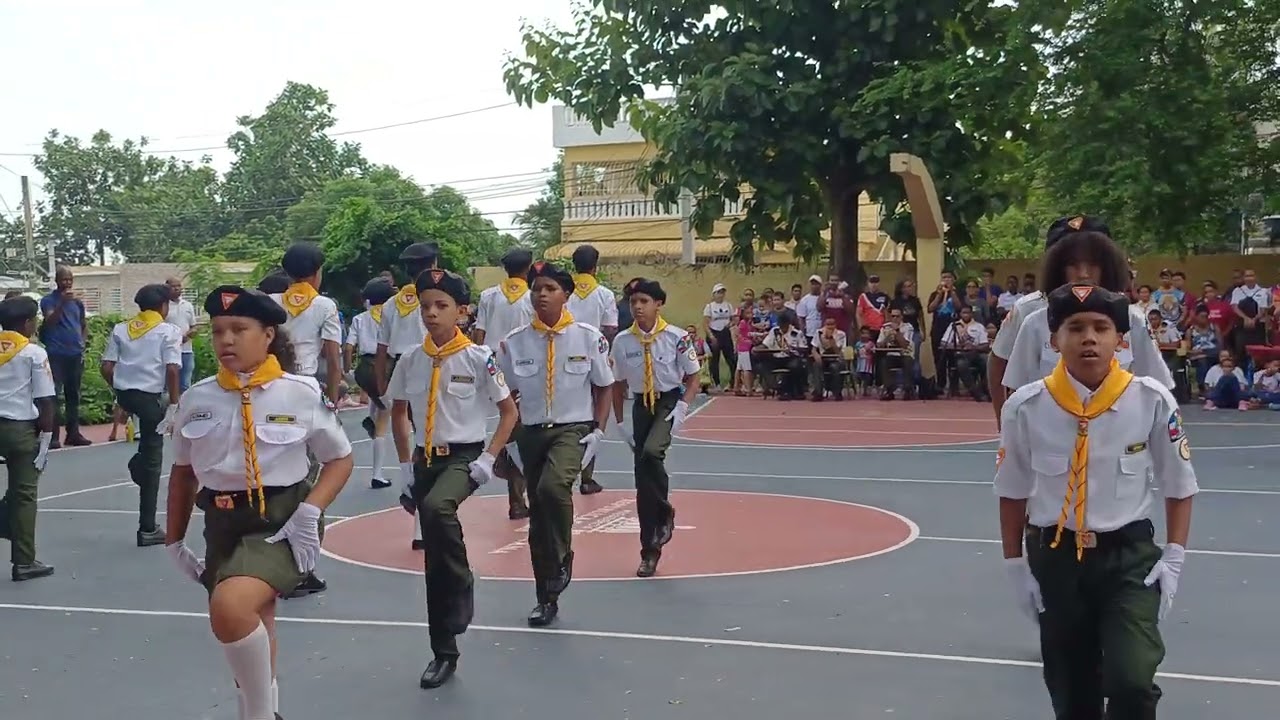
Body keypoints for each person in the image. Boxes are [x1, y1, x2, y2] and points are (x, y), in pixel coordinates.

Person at [996, 281, 1197, 720]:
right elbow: (1011, 490)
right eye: (1075, 327)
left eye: (1101, 328)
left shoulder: (1151, 400)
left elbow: (1179, 483)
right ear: (1054, 340)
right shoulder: (1026, 407)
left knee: (1132, 679)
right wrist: (1015, 566)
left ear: (1120, 340)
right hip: (1057, 556)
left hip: (1128, 559)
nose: (1089, 337)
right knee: (1072, 691)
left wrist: (1175, 556)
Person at [164, 285, 354, 720]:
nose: (225, 340)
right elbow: (182, 472)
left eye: (238, 329)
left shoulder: (300, 393)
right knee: (251, 628)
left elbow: (340, 458)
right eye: (217, 331)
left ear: (268, 335)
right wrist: (173, 540)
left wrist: (311, 511)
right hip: (222, 522)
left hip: (282, 521)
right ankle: (259, 711)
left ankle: (260, 716)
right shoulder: (197, 399)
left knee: (230, 610)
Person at [385, 268, 519, 689]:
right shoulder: (411, 359)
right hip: (425, 460)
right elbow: (398, 411)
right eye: (425, 305)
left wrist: (488, 458)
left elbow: (509, 412)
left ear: (462, 312)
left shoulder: (480, 358)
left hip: (462, 459)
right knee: (433, 561)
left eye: (441, 305)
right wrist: (405, 465)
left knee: (437, 509)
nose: (430, 313)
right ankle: (443, 651)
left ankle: (463, 580)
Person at [497, 261, 614, 627]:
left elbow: (604, 384)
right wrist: (507, 440)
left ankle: (563, 557)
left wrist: (599, 429)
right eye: (537, 289)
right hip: (531, 432)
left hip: (571, 428)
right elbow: (506, 395)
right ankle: (545, 597)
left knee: (553, 487)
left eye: (549, 288)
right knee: (537, 520)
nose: (541, 295)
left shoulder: (587, 337)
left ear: (566, 294)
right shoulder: (515, 342)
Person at [1002, 219, 1173, 392]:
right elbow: (1017, 393)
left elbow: (1158, 387)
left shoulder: (1133, 319)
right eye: (1073, 265)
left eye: (1093, 265)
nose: (1083, 274)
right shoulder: (1035, 322)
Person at [607, 279, 699, 577]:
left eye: (644, 301)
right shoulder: (622, 341)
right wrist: (619, 422)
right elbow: (618, 384)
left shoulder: (676, 337)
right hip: (641, 407)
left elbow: (694, 376)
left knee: (650, 453)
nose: (637, 307)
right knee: (642, 480)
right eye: (633, 302)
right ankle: (650, 550)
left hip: (667, 402)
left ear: (658, 304)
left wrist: (684, 406)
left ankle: (664, 511)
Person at [269, 243, 343, 598]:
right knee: (310, 481)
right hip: (307, 390)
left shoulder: (272, 301)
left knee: (276, 471)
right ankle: (304, 568)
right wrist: (332, 397)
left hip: (271, 389)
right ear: (317, 273)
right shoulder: (324, 305)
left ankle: (269, 558)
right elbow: (333, 355)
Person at [100, 284, 182, 547]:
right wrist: (174, 404)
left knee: (148, 457)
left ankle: (139, 465)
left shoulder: (121, 329)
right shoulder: (168, 331)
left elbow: (106, 366)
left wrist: (120, 389)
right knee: (153, 462)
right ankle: (147, 527)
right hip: (150, 399)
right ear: (163, 307)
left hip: (126, 394)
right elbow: (172, 369)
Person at [375, 243, 437, 547]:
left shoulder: (390, 304)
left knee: (405, 424)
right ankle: (421, 525)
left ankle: (405, 471)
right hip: (431, 363)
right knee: (429, 439)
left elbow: (382, 350)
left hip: (400, 365)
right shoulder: (437, 299)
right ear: (435, 264)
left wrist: (380, 384)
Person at [471, 248, 534, 520]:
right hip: (525, 366)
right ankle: (518, 495)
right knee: (523, 428)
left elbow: (479, 333)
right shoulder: (534, 297)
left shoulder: (489, 295)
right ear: (529, 268)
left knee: (510, 425)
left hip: (494, 365)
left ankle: (515, 489)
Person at [0, 296, 57, 581]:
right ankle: (24, 561)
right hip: (19, 429)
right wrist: (45, 442)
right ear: (27, 323)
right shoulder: (34, 353)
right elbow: (45, 400)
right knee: (24, 495)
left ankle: (3, 521)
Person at [565, 244, 617, 495]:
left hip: (565, 356)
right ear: (595, 266)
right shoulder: (604, 294)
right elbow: (609, 328)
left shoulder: (564, 293)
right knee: (593, 416)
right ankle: (587, 476)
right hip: (593, 356)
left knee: (568, 414)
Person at [346, 277, 397, 489]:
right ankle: (377, 474)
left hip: (364, 366)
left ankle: (371, 418)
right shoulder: (393, 316)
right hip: (385, 365)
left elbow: (348, 346)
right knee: (386, 416)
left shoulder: (360, 318)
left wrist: (348, 371)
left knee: (378, 403)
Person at [39, 265, 92, 448]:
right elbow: (50, 321)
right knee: (54, 395)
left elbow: (83, 325)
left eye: (70, 279)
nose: (67, 283)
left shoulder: (77, 303)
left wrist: (82, 343)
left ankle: (73, 434)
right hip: (56, 354)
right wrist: (61, 303)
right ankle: (53, 436)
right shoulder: (48, 300)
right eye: (64, 279)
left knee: (73, 395)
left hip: (74, 354)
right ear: (56, 280)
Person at [164, 277, 200, 393]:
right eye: (174, 286)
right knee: (167, 384)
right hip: (168, 351)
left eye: (179, 286)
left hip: (186, 351)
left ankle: (184, 409)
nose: (177, 289)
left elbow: (193, 326)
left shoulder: (187, 305)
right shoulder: (163, 306)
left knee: (185, 385)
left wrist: (190, 334)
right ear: (167, 288)